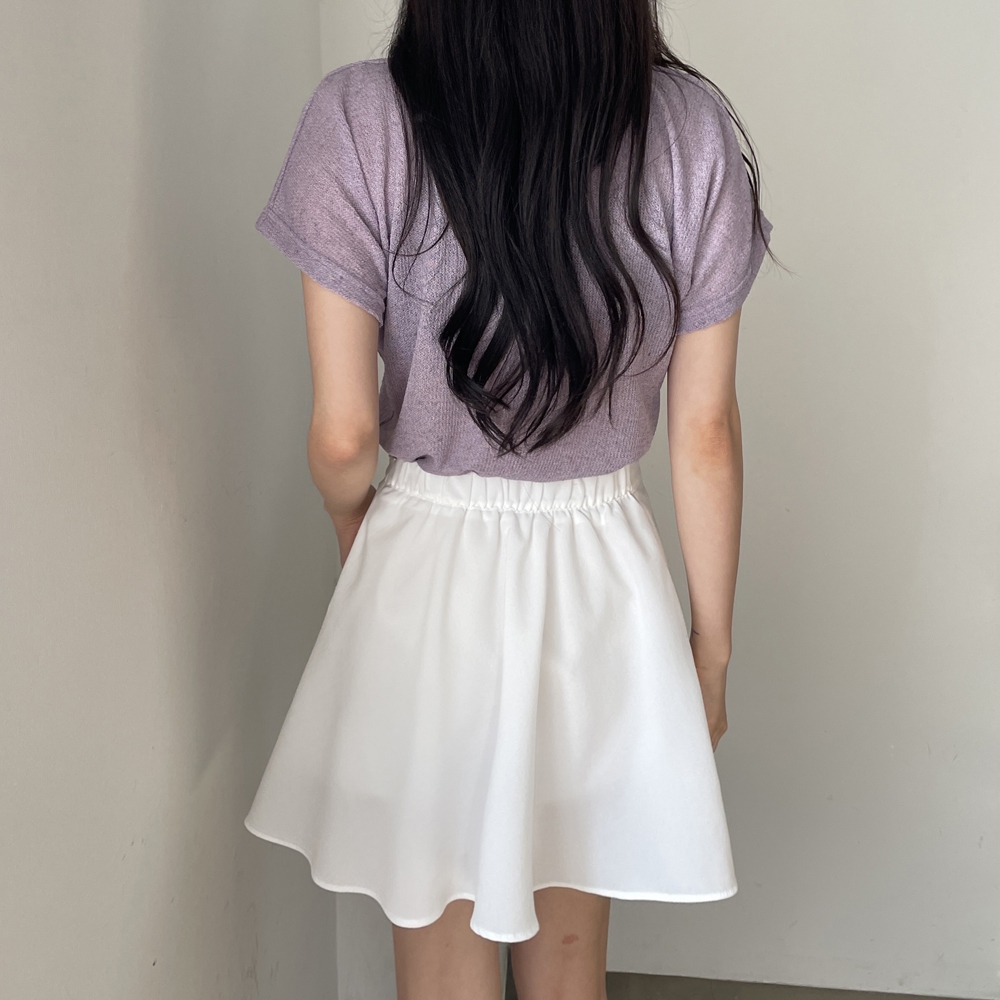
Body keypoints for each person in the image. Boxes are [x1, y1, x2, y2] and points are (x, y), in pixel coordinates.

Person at [244, 0, 773, 997]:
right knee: (570, 952)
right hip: (603, 569)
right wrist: (709, 652)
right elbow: (703, 433)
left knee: (440, 946)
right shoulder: (688, 127)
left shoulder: (362, 116)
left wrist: (358, 529)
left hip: (424, 555)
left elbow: (344, 434)